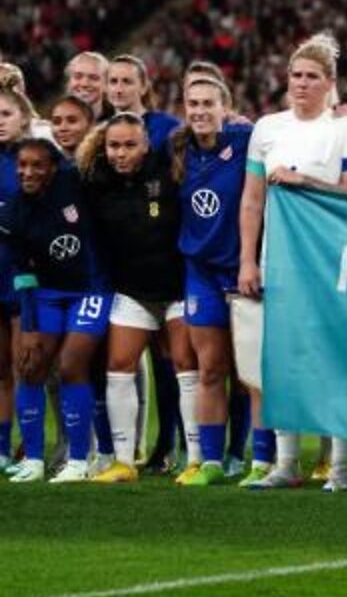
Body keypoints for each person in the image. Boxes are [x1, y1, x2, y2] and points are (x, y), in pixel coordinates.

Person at [236, 33, 347, 492]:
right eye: (295, 75)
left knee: (334, 363)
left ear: (329, 82)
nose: (301, 83)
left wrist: (304, 181)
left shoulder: (344, 130)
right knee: (283, 364)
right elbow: (252, 201)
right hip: (280, 263)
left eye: (312, 76)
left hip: (331, 263)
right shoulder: (267, 128)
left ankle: (340, 469)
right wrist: (247, 261)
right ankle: (286, 464)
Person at [75, 113, 196, 484]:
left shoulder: (168, 171)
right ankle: (125, 462)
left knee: (185, 367)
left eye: (130, 145)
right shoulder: (95, 182)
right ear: (103, 146)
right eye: (114, 145)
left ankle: (197, 461)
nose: (120, 153)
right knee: (119, 365)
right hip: (131, 292)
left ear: (145, 145)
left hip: (176, 289)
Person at [168, 76, 255, 487]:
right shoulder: (175, 148)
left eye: (208, 103)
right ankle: (210, 461)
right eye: (193, 103)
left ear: (226, 108)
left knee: (245, 372)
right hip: (199, 271)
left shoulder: (245, 139)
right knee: (209, 369)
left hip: (241, 269)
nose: (200, 111)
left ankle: (242, 454)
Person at [6, 139, 109, 483]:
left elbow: (95, 151)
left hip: (90, 289)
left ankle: (79, 461)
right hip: (47, 294)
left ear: (53, 168)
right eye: (22, 165)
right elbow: (22, 273)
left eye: (37, 165)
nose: (27, 172)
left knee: (71, 366)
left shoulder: (71, 182)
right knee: (31, 365)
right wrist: (30, 326)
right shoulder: (14, 211)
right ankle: (34, 460)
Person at [0, 84, 36, 471]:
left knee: (24, 365)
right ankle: (1, 447)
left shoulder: (34, 161)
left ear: (24, 118)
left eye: (5, 114)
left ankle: (32, 446)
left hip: (22, 277)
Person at [64, 51, 112, 121]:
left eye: (93, 78)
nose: (84, 84)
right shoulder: (55, 125)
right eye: (78, 77)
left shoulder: (121, 123)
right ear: (69, 82)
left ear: (106, 85)